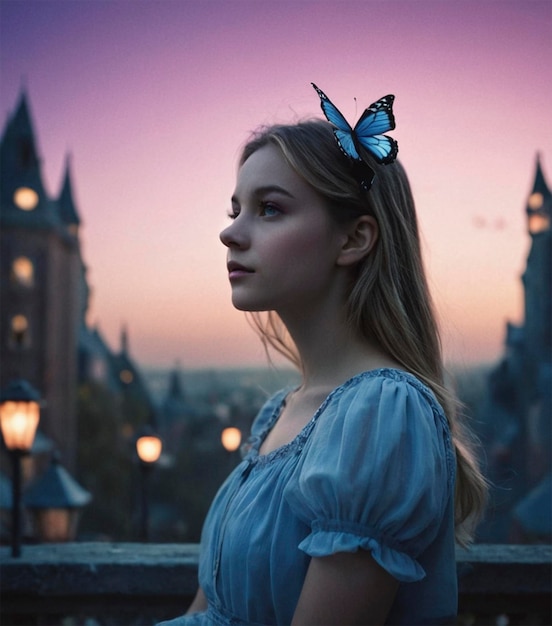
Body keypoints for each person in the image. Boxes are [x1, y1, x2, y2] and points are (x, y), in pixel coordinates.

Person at [159, 84, 487, 625]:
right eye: (236, 208)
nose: (229, 233)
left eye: (269, 209)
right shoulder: (279, 413)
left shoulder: (382, 413)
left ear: (354, 239)